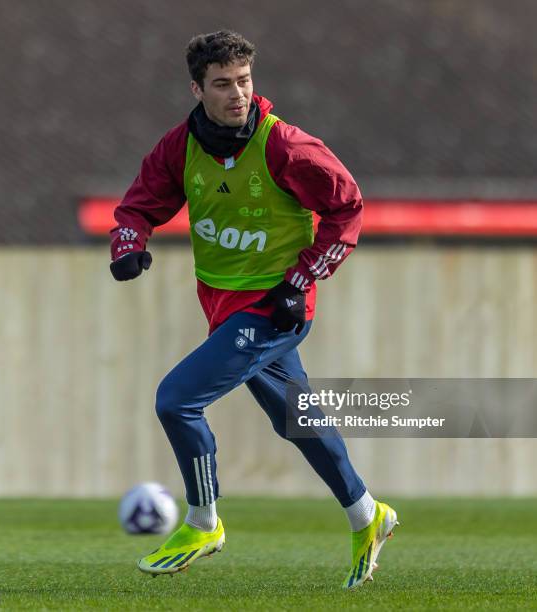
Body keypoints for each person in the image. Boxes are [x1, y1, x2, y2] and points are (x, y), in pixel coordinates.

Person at [109, 30, 398, 588]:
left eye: (243, 81)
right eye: (222, 84)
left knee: (177, 401)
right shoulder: (180, 147)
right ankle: (368, 514)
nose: (236, 93)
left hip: (275, 307)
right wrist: (129, 242)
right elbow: (140, 204)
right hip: (224, 307)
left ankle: (202, 521)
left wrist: (302, 278)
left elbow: (348, 209)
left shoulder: (285, 146)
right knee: (299, 420)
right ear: (198, 89)